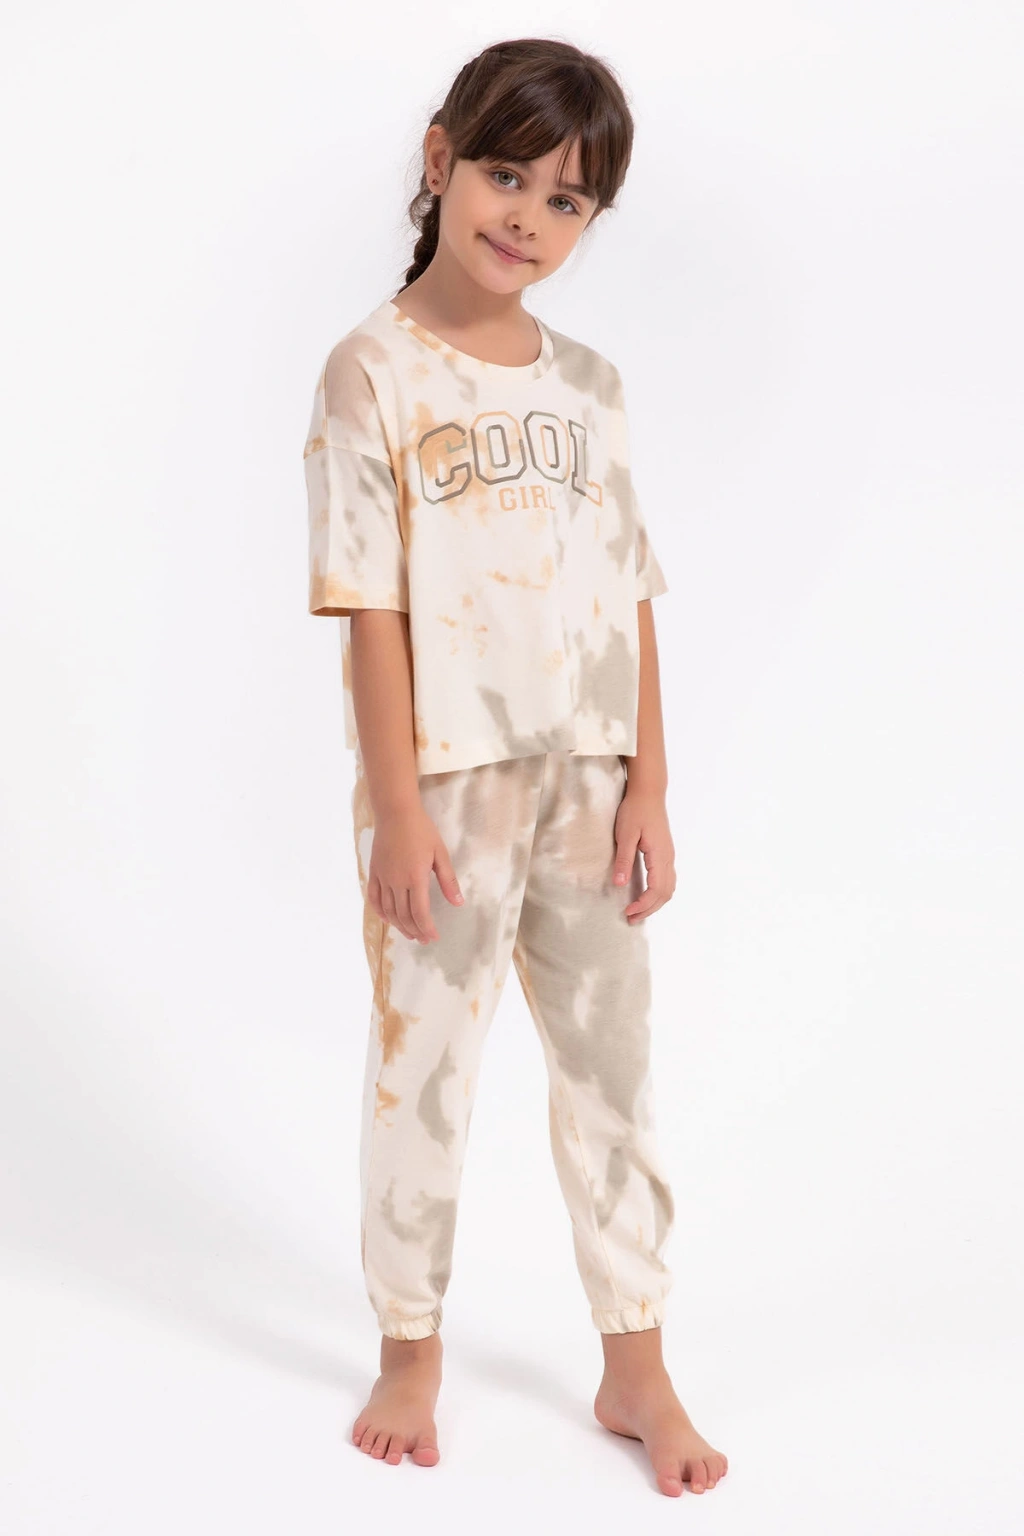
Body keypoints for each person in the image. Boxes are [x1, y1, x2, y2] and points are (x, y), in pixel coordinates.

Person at [302, 37, 728, 1498]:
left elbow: (630, 593)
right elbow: (368, 607)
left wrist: (649, 784)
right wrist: (399, 811)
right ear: (441, 160)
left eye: (567, 200)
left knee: (614, 1076)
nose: (528, 219)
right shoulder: (371, 370)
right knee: (423, 1073)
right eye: (505, 176)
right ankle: (409, 1347)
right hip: (448, 791)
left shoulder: (592, 386)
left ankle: (636, 1359)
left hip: (589, 787)